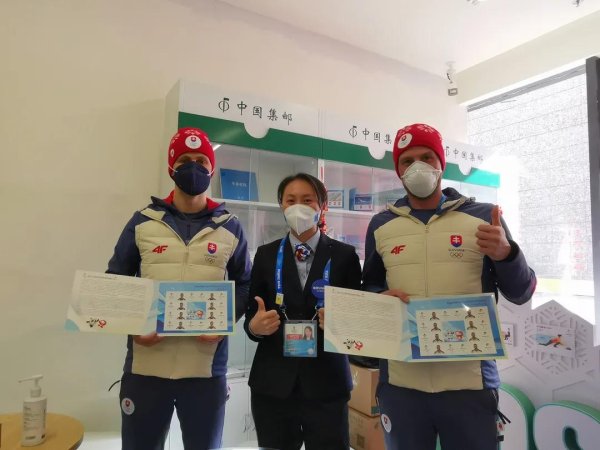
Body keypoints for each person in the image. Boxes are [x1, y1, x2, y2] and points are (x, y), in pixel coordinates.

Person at [362, 123, 536, 450]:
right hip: (401, 384)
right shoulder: (382, 224)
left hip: (470, 384)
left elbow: (522, 292)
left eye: (426, 157)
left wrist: (507, 254)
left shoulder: (484, 217)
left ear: (441, 163)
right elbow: (369, 285)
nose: (417, 167)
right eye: (407, 160)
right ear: (398, 170)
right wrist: (379, 297)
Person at [106, 127, 252, 450]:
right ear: (171, 167)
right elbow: (115, 280)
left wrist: (225, 321)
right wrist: (134, 326)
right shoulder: (143, 221)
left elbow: (245, 284)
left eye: (202, 160)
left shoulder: (230, 226)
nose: (194, 167)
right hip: (146, 369)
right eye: (185, 160)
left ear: (212, 168)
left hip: (206, 372)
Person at [244, 173, 362, 450]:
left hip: (327, 383)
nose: (298, 207)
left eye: (307, 200)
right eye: (291, 200)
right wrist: (254, 327)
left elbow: (358, 321)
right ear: (281, 206)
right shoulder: (265, 255)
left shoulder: (345, 256)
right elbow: (252, 314)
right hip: (273, 383)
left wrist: (341, 324)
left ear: (322, 205)